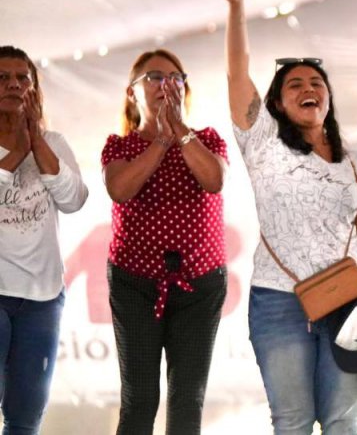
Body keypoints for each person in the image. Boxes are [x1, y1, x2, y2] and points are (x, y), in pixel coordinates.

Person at [202, 0, 357, 435]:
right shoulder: (262, 140)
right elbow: (236, 73)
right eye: (295, 85)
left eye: (316, 84)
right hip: (279, 302)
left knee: (343, 419)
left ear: (327, 99)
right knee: (292, 421)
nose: (309, 89)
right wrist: (236, 5)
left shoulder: (352, 159)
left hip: (353, 298)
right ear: (277, 104)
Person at [101, 48, 229, 435]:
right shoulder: (119, 146)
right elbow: (120, 189)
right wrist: (160, 138)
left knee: (188, 398)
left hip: (200, 284)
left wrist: (180, 131)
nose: (167, 84)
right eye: (155, 77)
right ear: (132, 92)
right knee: (140, 399)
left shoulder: (207, 139)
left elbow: (214, 180)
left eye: (176, 78)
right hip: (135, 284)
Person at [0, 45, 88, 434]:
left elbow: (74, 200)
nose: (13, 85)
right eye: (2, 78)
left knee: (26, 417)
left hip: (42, 298)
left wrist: (36, 142)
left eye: (23, 78)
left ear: (35, 89)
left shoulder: (54, 142)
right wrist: (17, 152)